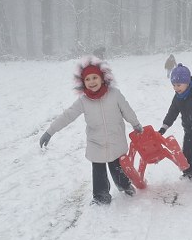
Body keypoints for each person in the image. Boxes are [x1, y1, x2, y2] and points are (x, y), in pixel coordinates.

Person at [39, 57, 144, 205]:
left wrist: (136, 124)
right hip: (96, 143)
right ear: (83, 83)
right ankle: (101, 196)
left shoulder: (115, 94)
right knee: (98, 172)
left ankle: (125, 186)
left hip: (115, 140)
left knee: (118, 167)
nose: (92, 82)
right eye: (87, 79)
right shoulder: (83, 101)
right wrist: (50, 131)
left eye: (95, 77)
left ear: (102, 78)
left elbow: (127, 110)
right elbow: (68, 115)